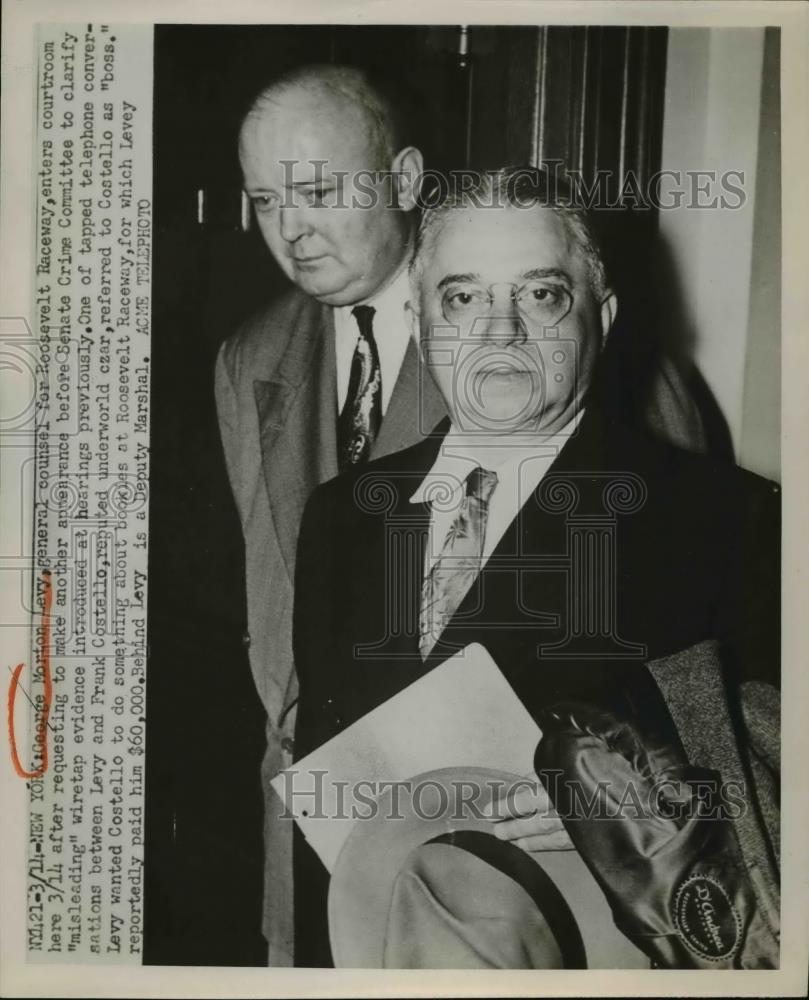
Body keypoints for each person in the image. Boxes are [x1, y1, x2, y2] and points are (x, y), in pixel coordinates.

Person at [291, 167, 780, 966]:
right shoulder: (342, 516)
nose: (499, 331)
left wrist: (620, 817)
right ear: (418, 322)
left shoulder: (725, 520)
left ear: (603, 316)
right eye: (462, 298)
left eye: (541, 295)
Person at [214, 64, 447, 965]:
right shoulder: (250, 358)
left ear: (405, 179)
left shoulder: (532, 325)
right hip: (306, 839)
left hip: (480, 847)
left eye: (316, 191)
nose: (291, 231)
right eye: (266, 200)